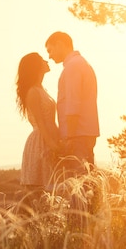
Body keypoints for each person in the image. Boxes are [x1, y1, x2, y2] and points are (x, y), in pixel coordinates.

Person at [45, 32, 100, 177]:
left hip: (77, 135)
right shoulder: (80, 63)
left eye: (50, 50)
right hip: (83, 133)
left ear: (60, 44)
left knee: (79, 183)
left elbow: (72, 105)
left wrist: (69, 138)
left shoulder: (73, 67)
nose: (49, 56)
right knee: (86, 180)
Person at [15, 52, 60, 199]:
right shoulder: (33, 92)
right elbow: (41, 123)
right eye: (42, 60)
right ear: (36, 66)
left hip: (49, 138)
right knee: (41, 192)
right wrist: (52, 144)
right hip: (41, 142)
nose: (46, 61)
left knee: (54, 190)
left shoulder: (41, 89)